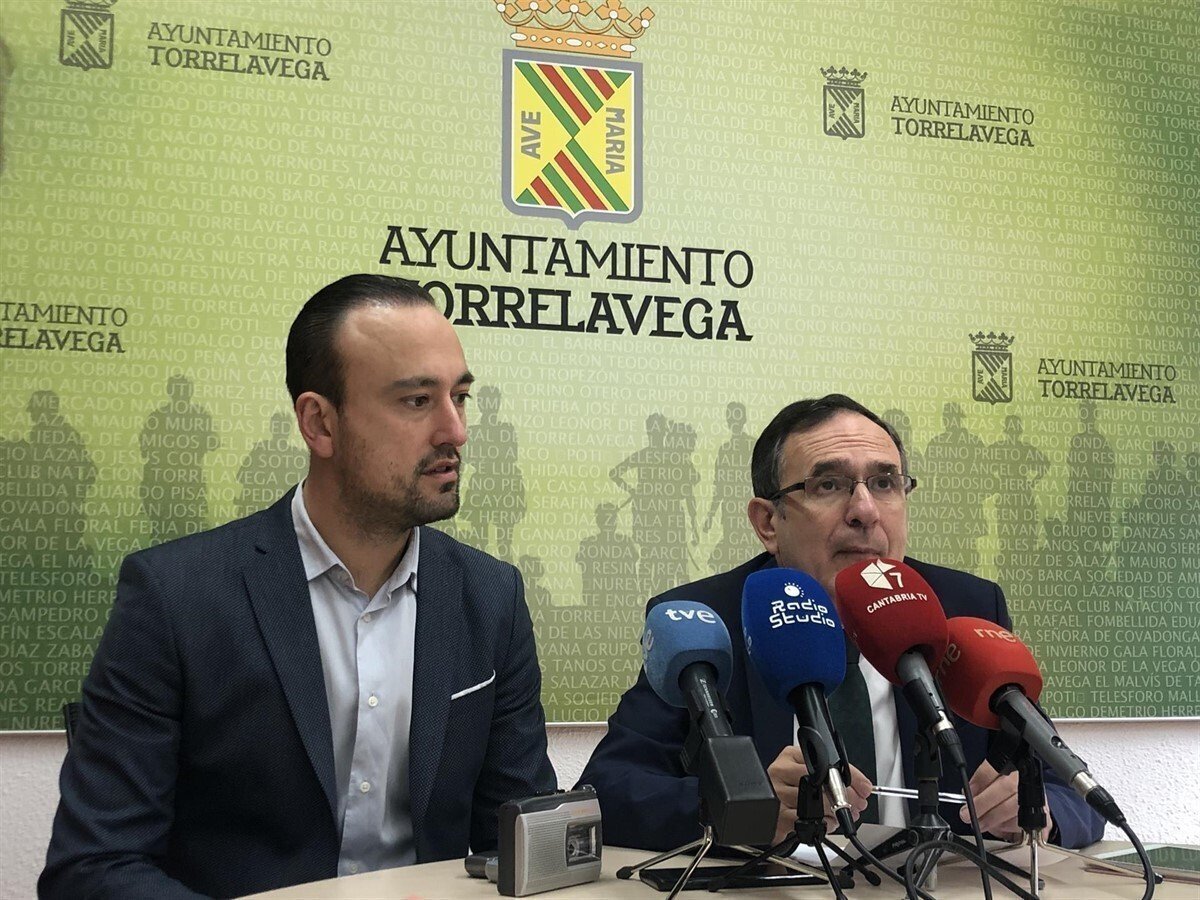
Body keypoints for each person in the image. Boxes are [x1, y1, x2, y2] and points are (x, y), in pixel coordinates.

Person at [41, 275, 556, 900]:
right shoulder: (175, 597)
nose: (455, 431)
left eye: (460, 397)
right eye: (418, 400)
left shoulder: (491, 598)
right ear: (320, 423)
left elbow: (527, 846)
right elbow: (94, 867)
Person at [578, 394, 1105, 852]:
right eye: (829, 485)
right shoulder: (706, 618)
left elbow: (1073, 791)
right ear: (768, 522)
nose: (865, 510)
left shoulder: (964, 607)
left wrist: (1038, 811)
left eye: (885, 483)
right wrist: (743, 807)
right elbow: (607, 790)